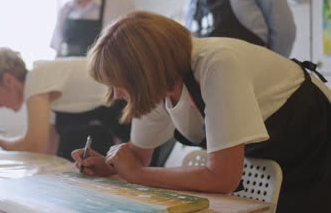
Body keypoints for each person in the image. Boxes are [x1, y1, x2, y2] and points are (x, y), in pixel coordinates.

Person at [71, 11, 331, 213]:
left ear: (145, 74)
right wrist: (110, 166)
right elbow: (139, 158)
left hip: (313, 135)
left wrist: (135, 174)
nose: (116, 95)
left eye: (120, 84)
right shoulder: (157, 82)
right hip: (268, 150)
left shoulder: (218, 65)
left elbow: (223, 177)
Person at [0, 47, 130, 161]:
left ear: (8, 80)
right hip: (123, 109)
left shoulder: (36, 77)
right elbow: (46, 151)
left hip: (132, 102)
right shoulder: (47, 90)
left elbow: (34, 145)